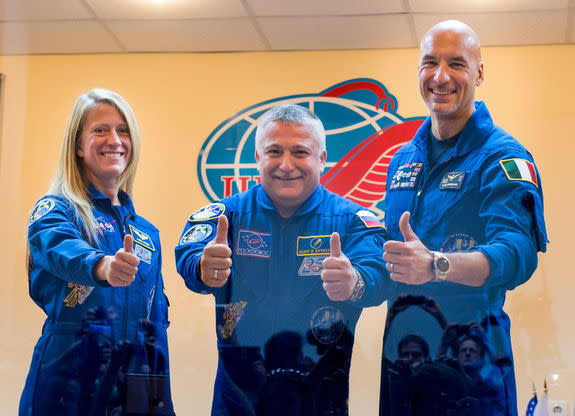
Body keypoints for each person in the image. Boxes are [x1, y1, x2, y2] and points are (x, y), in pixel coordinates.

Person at [380, 20, 548, 416]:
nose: (440, 76)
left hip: (472, 363)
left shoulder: (503, 156)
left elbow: (517, 252)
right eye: (429, 63)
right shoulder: (403, 159)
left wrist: (437, 265)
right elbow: (390, 254)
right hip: (403, 359)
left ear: (479, 72)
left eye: (456, 63)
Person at [175, 104, 388, 415]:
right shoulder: (227, 216)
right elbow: (191, 254)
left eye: (300, 152)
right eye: (274, 152)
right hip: (238, 403)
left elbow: (378, 272)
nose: (286, 165)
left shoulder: (353, 221)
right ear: (258, 158)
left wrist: (355, 282)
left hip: (320, 402)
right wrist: (202, 268)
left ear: (322, 159)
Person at [19, 89, 173, 415]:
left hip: (139, 377)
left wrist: (160, 400)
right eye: (100, 130)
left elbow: (156, 321)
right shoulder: (55, 210)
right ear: (77, 145)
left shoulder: (146, 231)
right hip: (72, 374)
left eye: (123, 130)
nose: (114, 139)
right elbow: (60, 246)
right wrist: (102, 265)